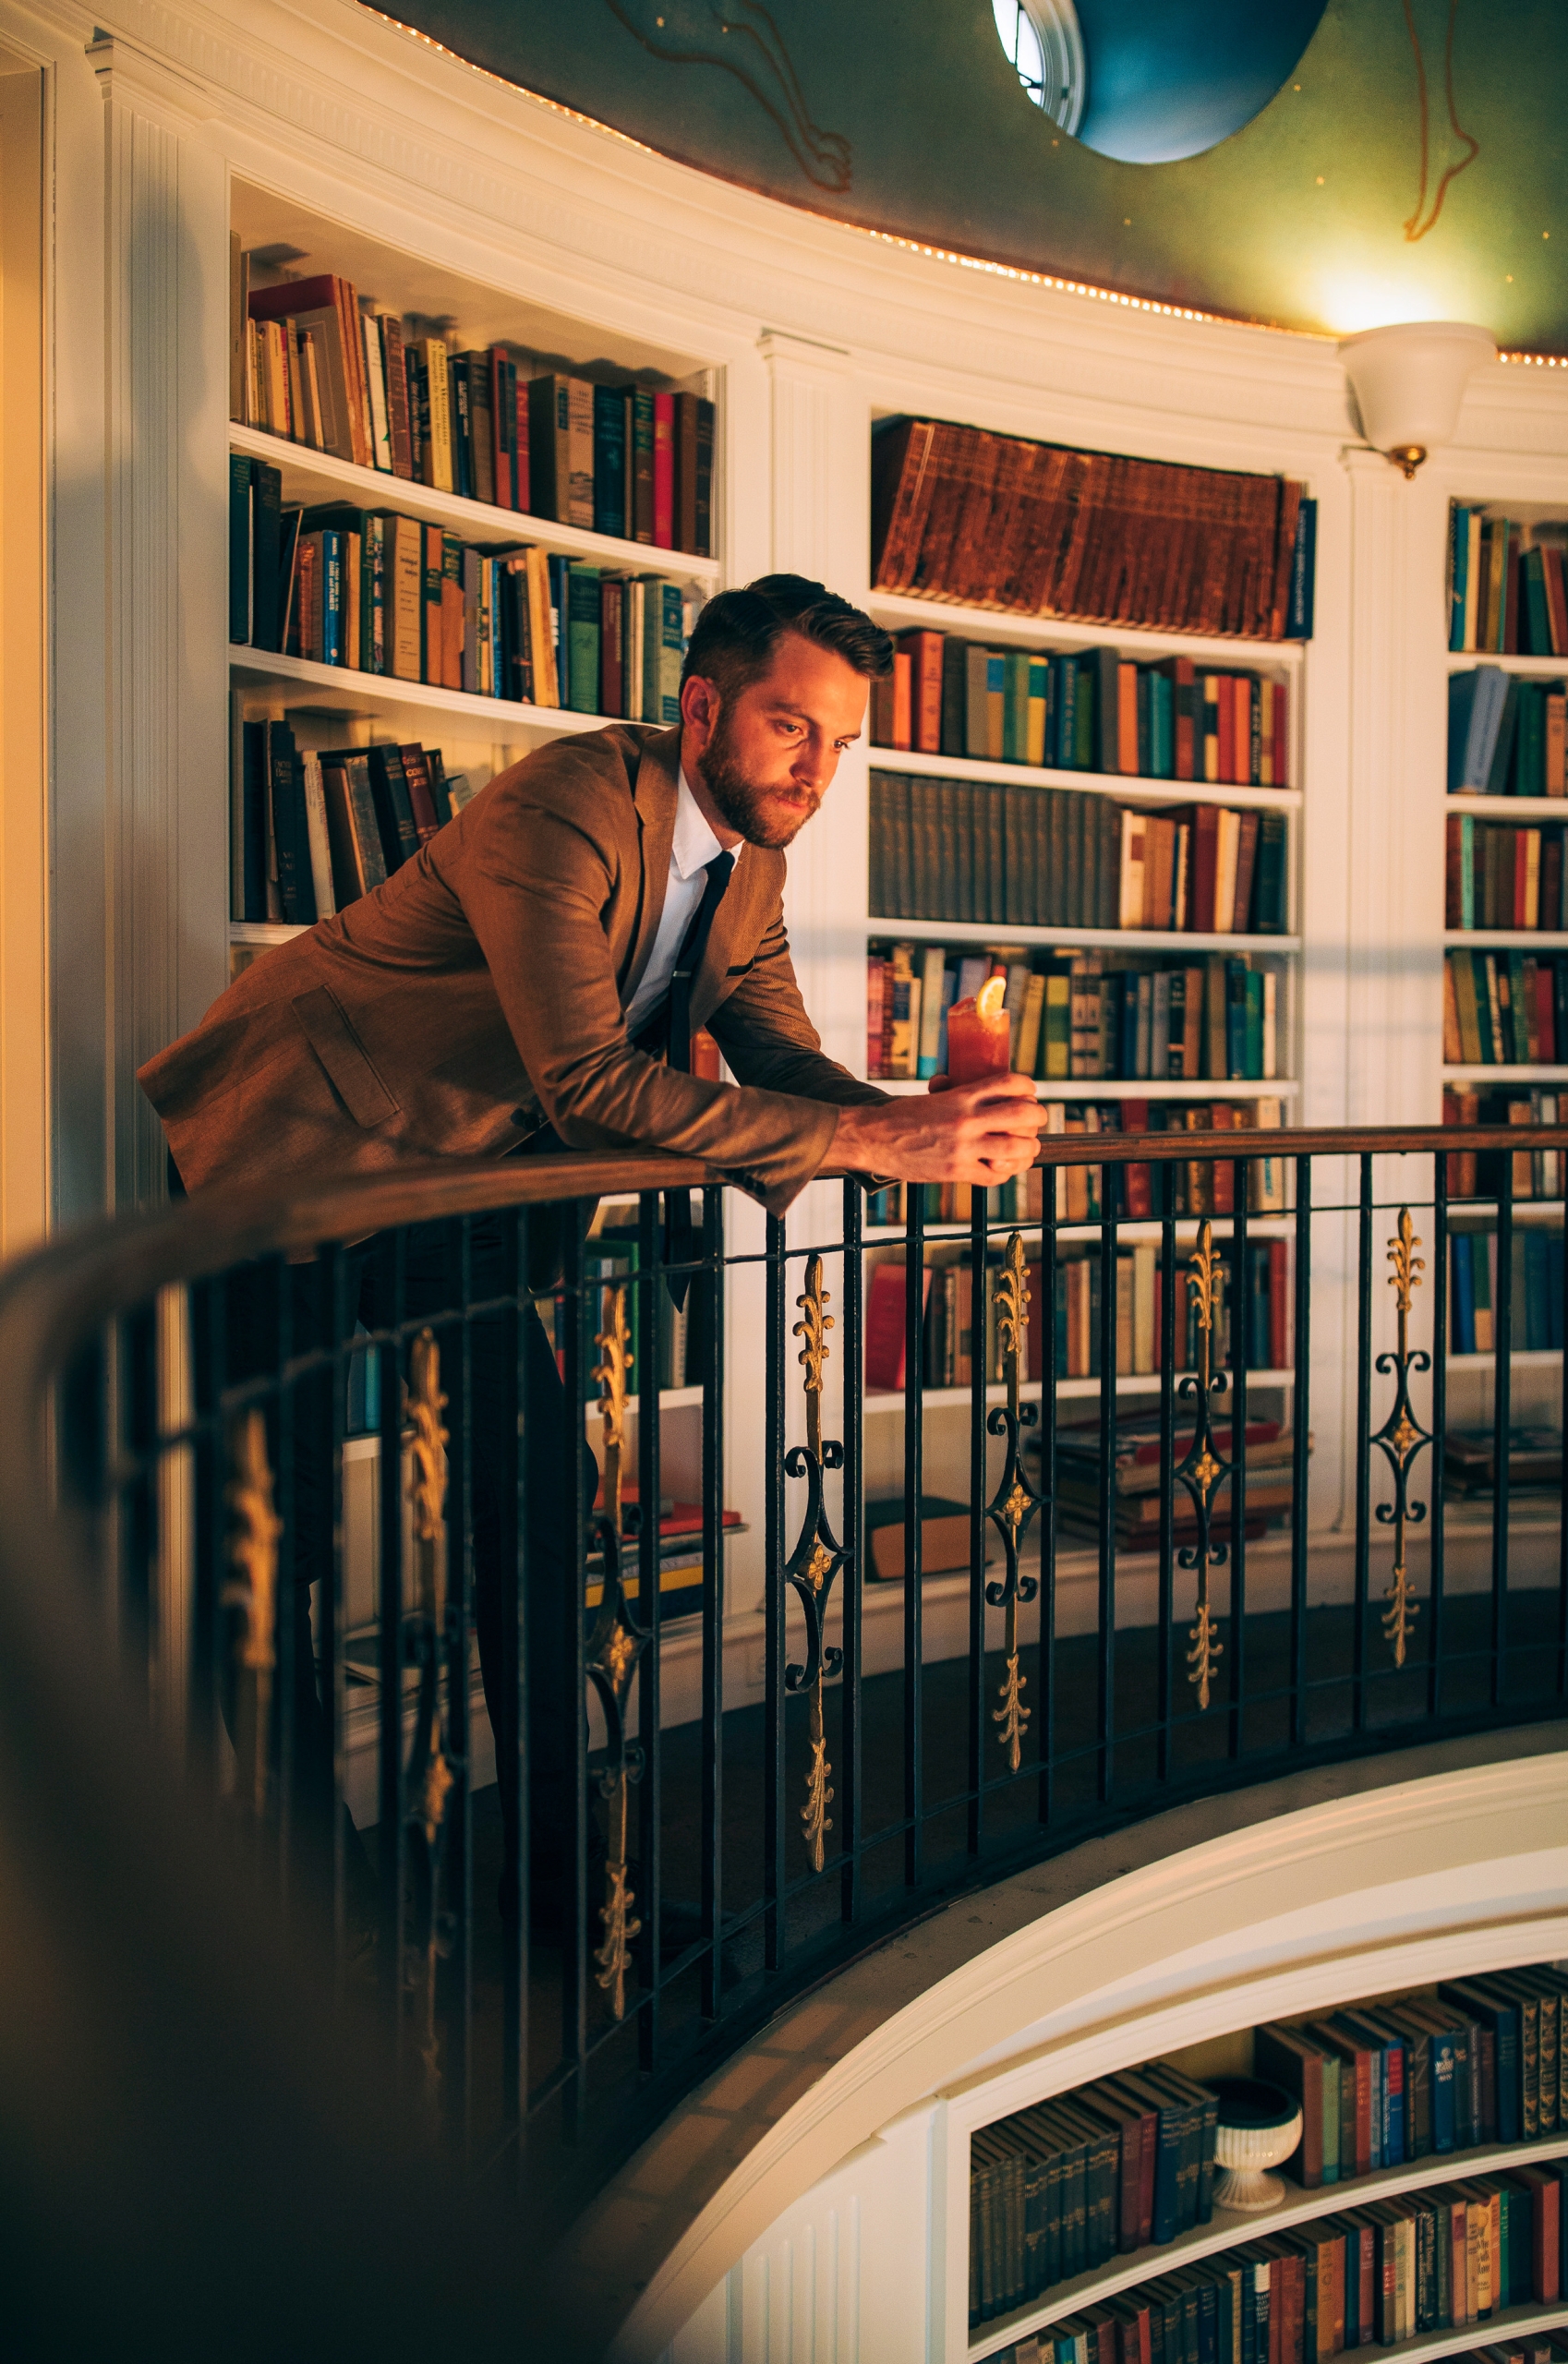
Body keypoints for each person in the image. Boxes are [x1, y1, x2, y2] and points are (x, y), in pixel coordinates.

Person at [139, 574, 1043, 1924]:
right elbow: (588, 1086)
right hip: (295, 1157)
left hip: (460, 1192)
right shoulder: (564, 806)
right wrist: (874, 1147)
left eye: (842, 744)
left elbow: (778, 1054)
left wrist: (925, 1123)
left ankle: (563, 1892)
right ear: (702, 707)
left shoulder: (757, 866)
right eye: (795, 728)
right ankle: (300, 1898)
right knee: (283, 1543)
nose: (819, 770)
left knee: (545, 1505)